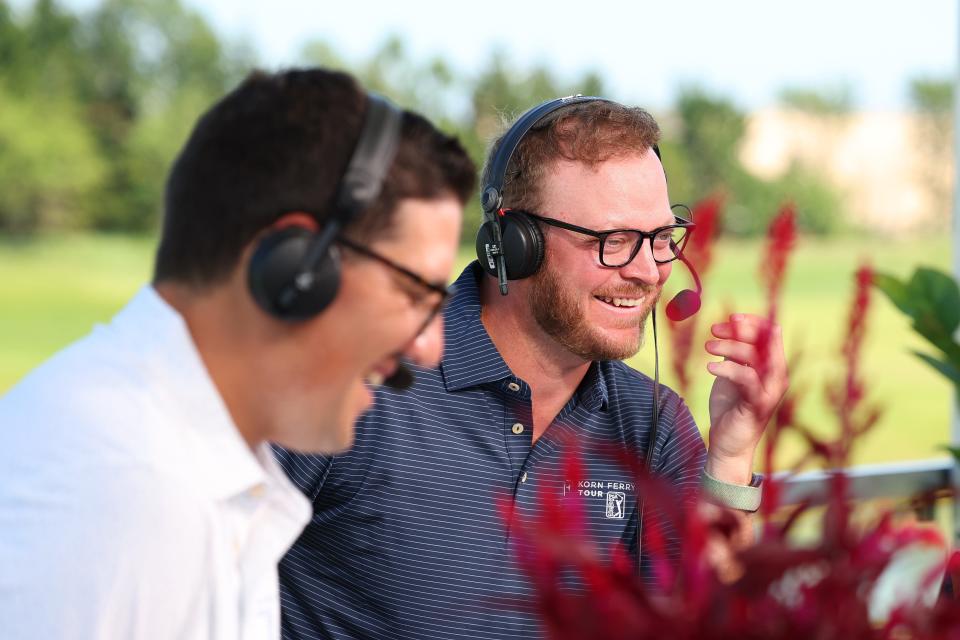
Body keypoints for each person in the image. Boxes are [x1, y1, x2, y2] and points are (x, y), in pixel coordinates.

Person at [275, 95, 788, 639]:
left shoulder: (651, 422)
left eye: (661, 239)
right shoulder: (356, 379)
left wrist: (731, 456)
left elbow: (707, 623)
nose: (648, 272)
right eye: (613, 241)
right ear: (512, 244)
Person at [0, 67, 475, 639]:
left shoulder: (184, 465)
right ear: (298, 267)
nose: (430, 346)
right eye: (414, 292)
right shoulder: (134, 493)